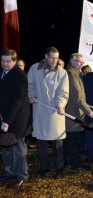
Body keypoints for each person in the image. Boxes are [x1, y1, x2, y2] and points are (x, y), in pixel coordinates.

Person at [27, 46, 69, 178]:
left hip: (55, 111)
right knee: (41, 142)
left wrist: (61, 104)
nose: (54, 61)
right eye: (51, 58)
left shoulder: (62, 72)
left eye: (56, 58)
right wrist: (31, 95)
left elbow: (63, 91)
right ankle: (44, 168)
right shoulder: (34, 68)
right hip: (39, 109)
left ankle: (59, 169)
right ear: (46, 57)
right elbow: (30, 84)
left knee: (57, 143)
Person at [0, 49, 31, 187]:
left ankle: (22, 175)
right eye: (2, 61)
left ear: (14, 61)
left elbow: (16, 101)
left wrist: (7, 121)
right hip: (3, 117)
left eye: (8, 61)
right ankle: (9, 172)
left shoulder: (20, 76)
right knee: (6, 146)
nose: (5, 64)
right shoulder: (1, 73)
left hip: (17, 118)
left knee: (18, 148)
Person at [64, 53, 93, 171]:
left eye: (82, 62)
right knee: (74, 140)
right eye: (79, 62)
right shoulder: (71, 74)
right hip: (73, 114)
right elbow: (77, 97)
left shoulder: (77, 73)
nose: (81, 64)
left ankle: (69, 161)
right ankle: (76, 164)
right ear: (72, 62)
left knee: (73, 139)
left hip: (77, 113)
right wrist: (89, 111)